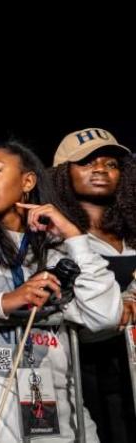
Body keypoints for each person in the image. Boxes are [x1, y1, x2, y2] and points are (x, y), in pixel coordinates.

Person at [0, 141, 122, 442]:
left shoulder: (57, 245)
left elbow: (105, 316)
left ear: (28, 181)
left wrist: (73, 236)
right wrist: (7, 300)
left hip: (61, 416)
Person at [50, 127, 136, 443]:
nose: (100, 169)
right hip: (89, 373)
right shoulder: (55, 240)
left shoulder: (132, 233)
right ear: (62, 173)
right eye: (86, 162)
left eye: (111, 164)